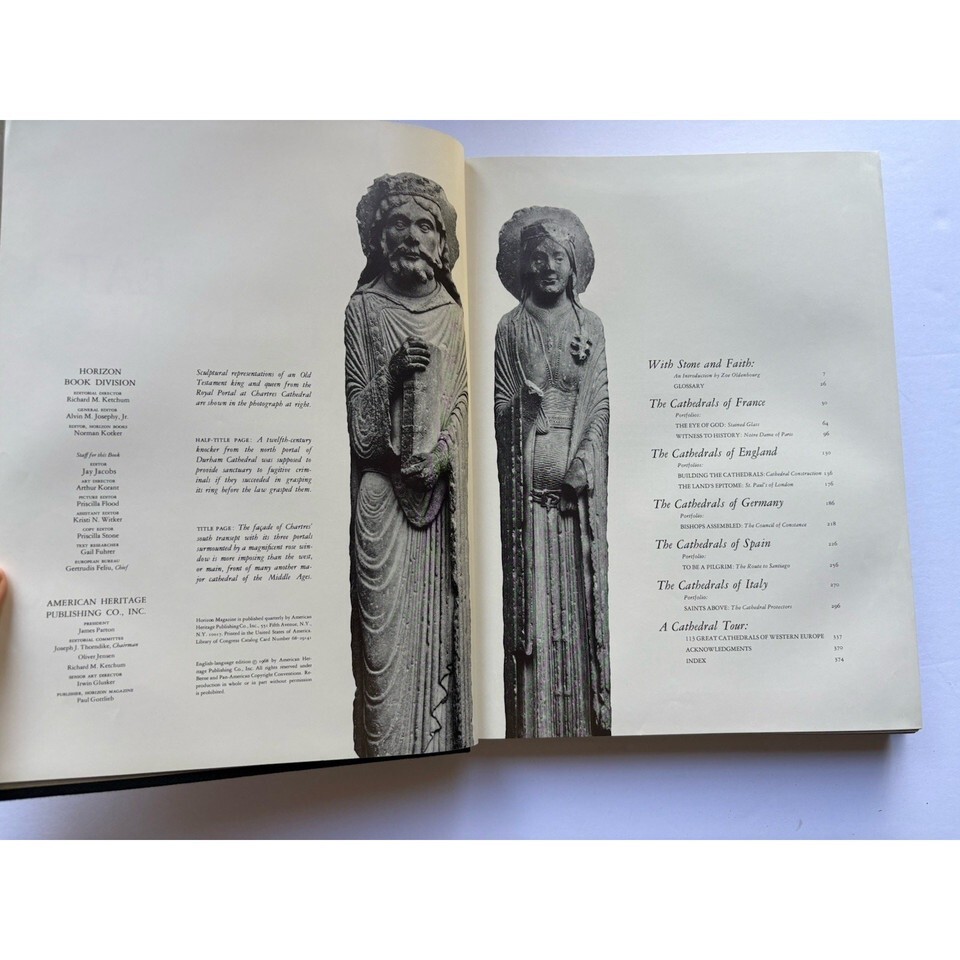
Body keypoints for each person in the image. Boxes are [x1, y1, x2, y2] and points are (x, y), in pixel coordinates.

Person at [344, 173, 471, 757]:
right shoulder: (364, 310)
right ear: (378, 238)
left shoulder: (450, 313)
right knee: (381, 656)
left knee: (437, 637)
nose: (412, 236)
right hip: (382, 500)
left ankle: (437, 749)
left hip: (436, 502)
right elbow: (361, 433)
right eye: (398, 223)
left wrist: (442, 455)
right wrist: (392, 375)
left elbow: (460, 404)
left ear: (441, 242)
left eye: (425, 225)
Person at [494, 206, 610, 737]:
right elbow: (500, 409)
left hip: (572, 503)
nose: (547, 267)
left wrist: (584, 462)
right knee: (533, 625)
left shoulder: (590, 327)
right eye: (537, 258)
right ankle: (532, 730)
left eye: (557, 257)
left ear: (573, 265)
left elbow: (599, 405)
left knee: (577, 615)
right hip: (528, 506)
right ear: (524, 266)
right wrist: (522, 404)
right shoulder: (510, 328)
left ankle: (583, 725)